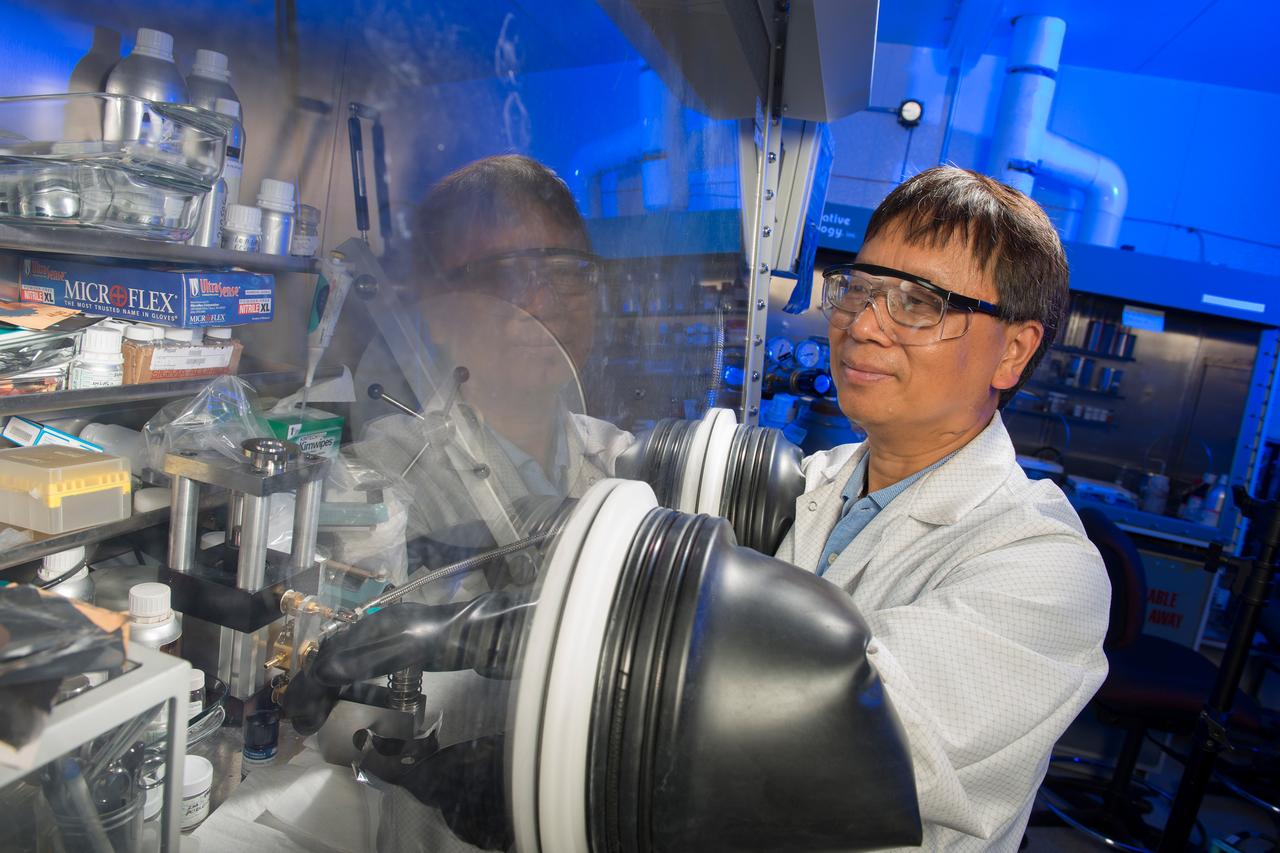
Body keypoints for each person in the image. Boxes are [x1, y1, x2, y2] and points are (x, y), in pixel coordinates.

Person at [774, 166, 1111, 850]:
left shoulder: (1048, 571)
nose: (862, 325)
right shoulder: (818, 482)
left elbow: (839, 736)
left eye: (919, 302)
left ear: (1012, 351)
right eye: (860, 288)